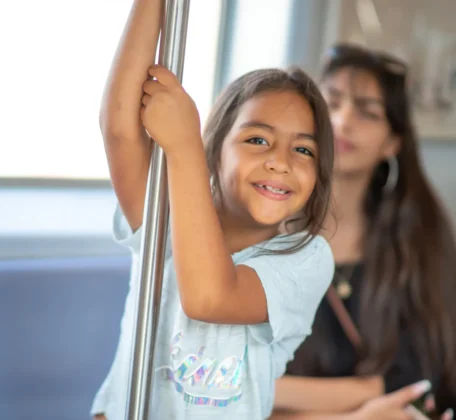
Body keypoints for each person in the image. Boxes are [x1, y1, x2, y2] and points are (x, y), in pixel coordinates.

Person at [90, 0, 337, 418]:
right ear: (216, 151)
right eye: (258, 140)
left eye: (302, 149)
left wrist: (182, 144)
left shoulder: (303, 260)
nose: (281, 161)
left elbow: (208, 297)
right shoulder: (165, 217)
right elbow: (119, 128)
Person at [271, 43, 456, 419]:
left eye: (368, 113)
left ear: (392, 143)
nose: (343, 120)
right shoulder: (259, 230)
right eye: (332, 102)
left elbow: (420, 380)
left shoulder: (419, 238)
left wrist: (265, 391)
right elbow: (216, 391)